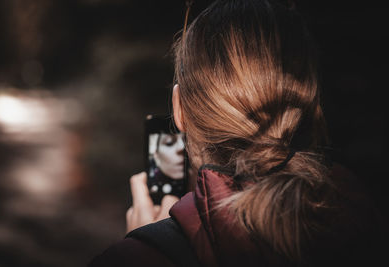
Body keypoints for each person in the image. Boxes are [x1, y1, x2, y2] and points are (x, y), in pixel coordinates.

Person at [89, 0, 385, 266]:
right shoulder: (365, 219)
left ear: (179, 110)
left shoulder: (135, 258)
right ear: (310, 103)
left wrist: (145, 245)